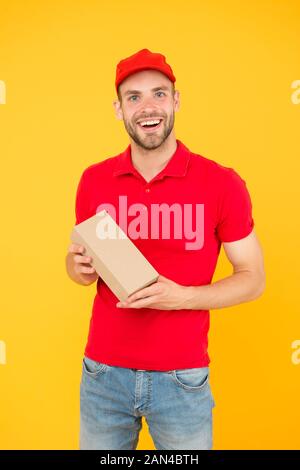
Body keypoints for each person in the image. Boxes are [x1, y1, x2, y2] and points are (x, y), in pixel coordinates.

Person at [65, 48, 266, 450]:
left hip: (182, 378)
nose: (147, 107)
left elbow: (253, 279)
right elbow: (76, 267)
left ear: (176, 101)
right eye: (133, 97)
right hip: (103, 374)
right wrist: (78, 267)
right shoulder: (94, 179)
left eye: (159, 93)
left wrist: (182, 297)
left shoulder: (221, 183)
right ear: (119, 109)